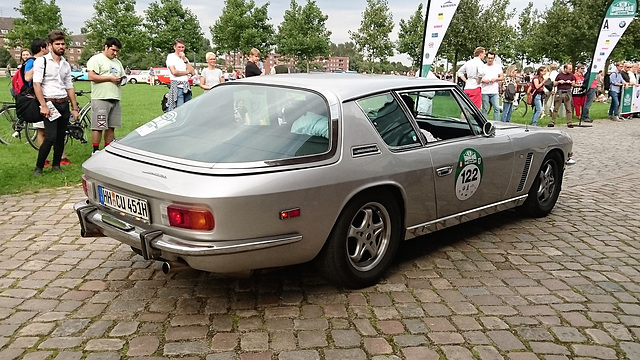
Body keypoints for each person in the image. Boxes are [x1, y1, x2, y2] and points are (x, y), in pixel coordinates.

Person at [32, 30, 79, 176]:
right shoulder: (42, 61)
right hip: (49, 103)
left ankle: (56, 165)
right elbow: (36, 84)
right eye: (57, 44)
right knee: (50, 136)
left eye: (63, 44)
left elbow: (69, 86)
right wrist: (43, 105)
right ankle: (39, 167)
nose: (61, 46)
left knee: (60, 136)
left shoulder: (65, 64)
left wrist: (75, 107)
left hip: (63, 102)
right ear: (50, 45)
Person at [86, 37, 125, 155]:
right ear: (106, 47)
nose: (115, 53)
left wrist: (121, 80)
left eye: (117, 51)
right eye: (113, 50)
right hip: (101, 98)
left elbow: (122, 76)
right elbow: (91, 76)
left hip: (115, 97)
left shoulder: (117, 62)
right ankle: (95, 150)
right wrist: (109, 78)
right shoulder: (96, 59)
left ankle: (107, 150)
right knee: (99, 125)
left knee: (111, 126)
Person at [166, 38, 195, 110]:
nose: (181, 49)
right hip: (177, 86)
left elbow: (192, 72)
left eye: (182, 47)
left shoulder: (185, 59)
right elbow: (174, 72)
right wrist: (186, 72)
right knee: (179, 109)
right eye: (179, 47)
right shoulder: (171, 57)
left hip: (186, 86)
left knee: (188, 109)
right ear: (174, 47)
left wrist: (185, 60)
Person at [479, 51, 503, 121]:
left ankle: (497, 123)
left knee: (496, 108)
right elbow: (478, 79)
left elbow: (501, 77)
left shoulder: (497, 67)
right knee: (484, 109)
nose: (490, 60)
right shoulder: (482, 67)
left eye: (492, 58)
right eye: (489, 58)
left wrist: (496, 79)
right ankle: (484, 123)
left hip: (494, 91)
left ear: (494, 58)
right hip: (485, 91)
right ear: (486, 58)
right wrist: (483, 80)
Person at [550, 64, 575, 128]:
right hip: (560, 92)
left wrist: (570, 82)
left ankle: (569, 122)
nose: (570, 70)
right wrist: (558, 82)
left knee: (569, 109)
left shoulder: (571, 75)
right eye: (569, 69)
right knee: (556, 108)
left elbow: (574, 84)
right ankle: (552, 122)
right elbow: (554, 84)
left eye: (571, 69)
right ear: (565, 69)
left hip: (567, 93)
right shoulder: (559, 75)